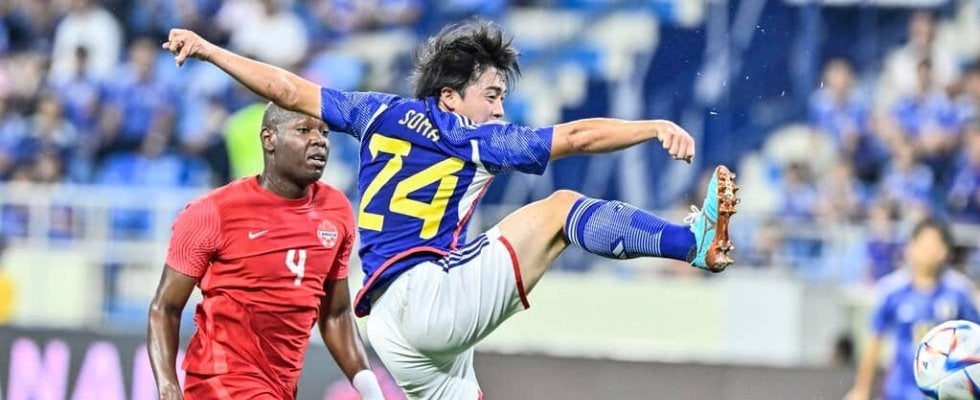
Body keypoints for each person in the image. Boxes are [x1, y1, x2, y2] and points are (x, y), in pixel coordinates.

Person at [163, 20, 740, 399]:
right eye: (492, 95)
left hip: (387, 330)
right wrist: (651, 127)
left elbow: (287, 91)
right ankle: (690, 242)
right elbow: (577, 137)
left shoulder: (375, 111)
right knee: (562, 209)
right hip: (428, 298)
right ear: (450, 98)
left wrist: (210, 50)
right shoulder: (474, 138)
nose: (500, 109)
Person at [146, 104, 384, 400]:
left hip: (280, 387)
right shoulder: (213, 212)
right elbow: (165, 308)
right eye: (303, 130)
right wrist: (168, 385)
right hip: (221, 383)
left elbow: (336, 314)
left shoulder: (336, 211)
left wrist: (370, 389)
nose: (318, 140)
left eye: (324, 132)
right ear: (269, 139)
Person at [846, 218, 980, 400]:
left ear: (946, 250)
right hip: (899, 392)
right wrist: (861, 389)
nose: (929, 251)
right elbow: (874, 342)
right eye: (925, 243)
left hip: (946, 394)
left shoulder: (960, 291)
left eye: (936, 244)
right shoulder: (891, 290)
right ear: (911, 248)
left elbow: (976, 340)